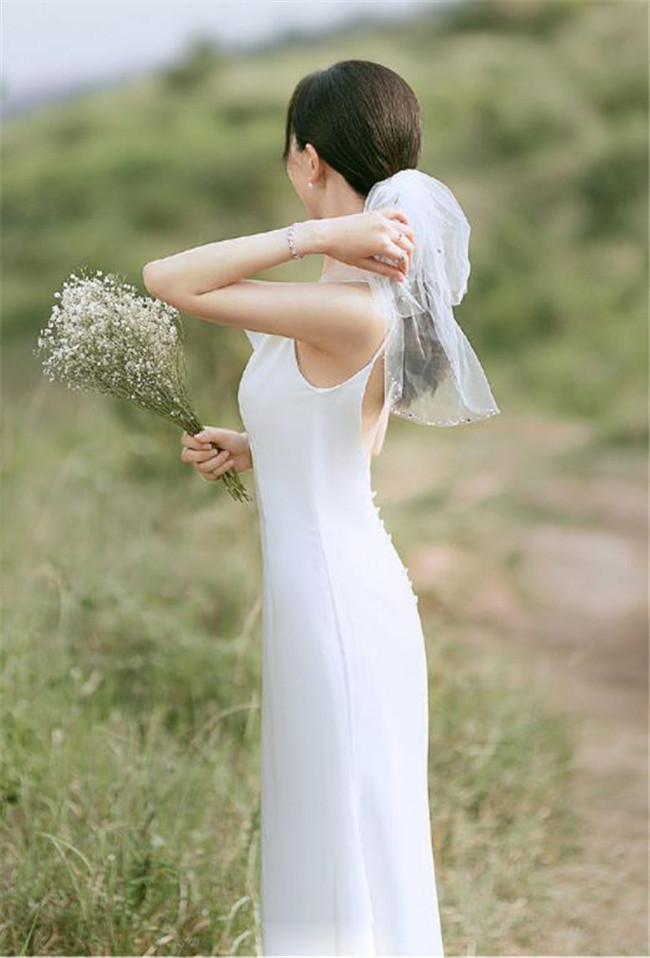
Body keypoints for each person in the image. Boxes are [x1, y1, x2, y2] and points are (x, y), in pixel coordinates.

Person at [143, 58, 499, 958]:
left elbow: (167, 277)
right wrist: (256, 443)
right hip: (328, 593)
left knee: (344, 838)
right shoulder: (342, 303)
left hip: (336, 603)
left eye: (291, 154)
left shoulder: (358, 309)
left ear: (307, 159)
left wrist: (313, 236)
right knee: (338, 827)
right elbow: (349, 438)